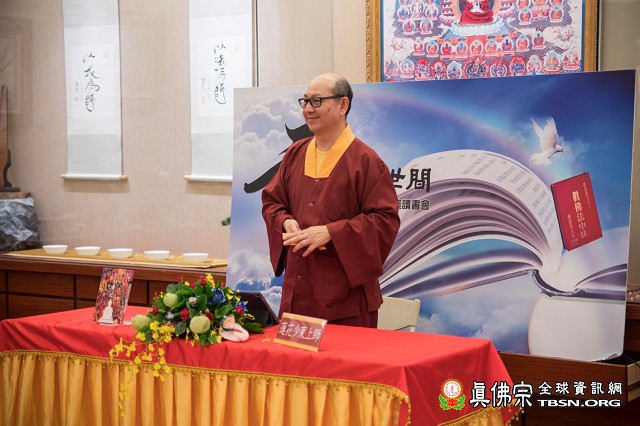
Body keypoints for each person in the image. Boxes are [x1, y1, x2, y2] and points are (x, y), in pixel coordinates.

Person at [261, 73, 400, 328]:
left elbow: (385, 221)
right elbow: (272, 202)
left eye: (317, 101)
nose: (308, 109)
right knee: (292, 357)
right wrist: (285, 220)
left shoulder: (365, 161)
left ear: (342, 105)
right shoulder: (295, 154)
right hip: (297, 292)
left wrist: (331, 233)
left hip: (345, 301)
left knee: (343, 357)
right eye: (305, 101)